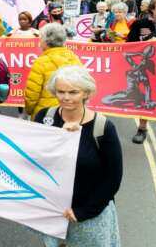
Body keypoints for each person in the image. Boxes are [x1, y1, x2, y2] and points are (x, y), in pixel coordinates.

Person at [34, 66, 122, 247]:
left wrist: (85, 211)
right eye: (60, 91)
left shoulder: (103, 128)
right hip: (54, 211)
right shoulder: (45, 118)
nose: (66, 97)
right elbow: (34, 158)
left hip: (89, 214)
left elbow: (112, 177)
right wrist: (60, 139)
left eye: (73, 92)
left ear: (86, 93)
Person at [25, 23, 82, 118]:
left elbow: (32, 94)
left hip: (45, 115)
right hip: (70, 113)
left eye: (41, 39)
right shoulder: (75, 59)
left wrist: (29, 110)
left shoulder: (40, 62)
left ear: (46, 41)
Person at [127, 0, 156, 144]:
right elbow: (129, 45)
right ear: (152, 9)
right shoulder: (140, 24)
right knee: (146, 98)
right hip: (146, 69)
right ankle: (142, 128)